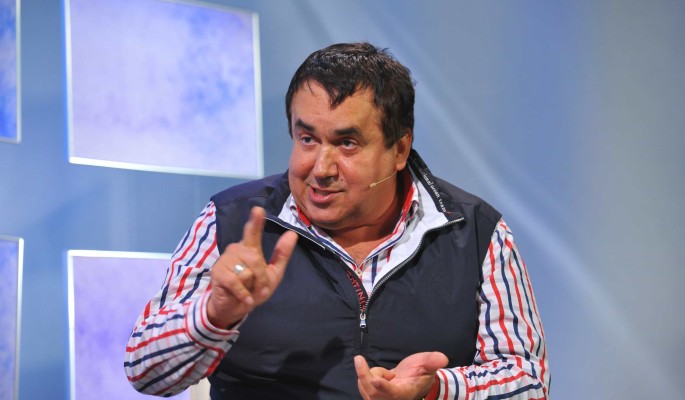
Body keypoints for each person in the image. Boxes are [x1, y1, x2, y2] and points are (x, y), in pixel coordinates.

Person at [125, 42, 550, 399]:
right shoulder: (231, 221)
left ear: (400, 150)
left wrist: (437, 389)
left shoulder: (474, 232)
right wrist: (215, 313)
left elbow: (528, 380)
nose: (320, 168)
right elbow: (145, 370)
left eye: (346, 143)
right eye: (307, 138)